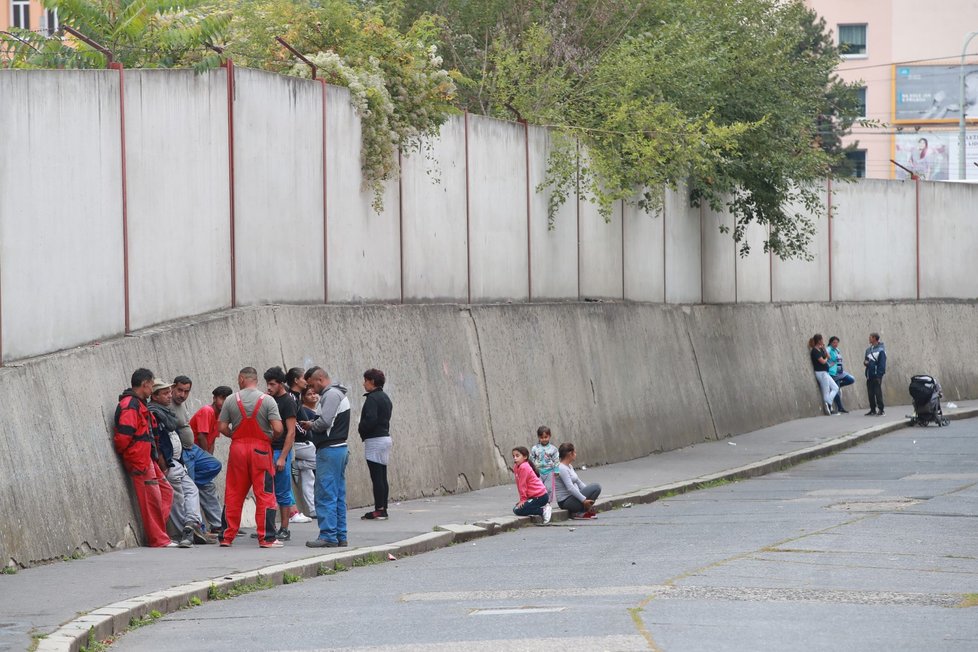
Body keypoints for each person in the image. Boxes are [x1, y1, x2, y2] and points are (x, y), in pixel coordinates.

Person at [218, 367, 283, 548]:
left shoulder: (231, 400)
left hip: (238, 450)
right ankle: (267, 538)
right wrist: (269, 438)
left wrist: (235, 436)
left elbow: (222, 426)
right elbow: (278, 428)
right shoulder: (267, 400)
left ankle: (226, 537)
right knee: (265, 494)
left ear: (241, 379)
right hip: (261, 450)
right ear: (256, 380)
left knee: (233, 492)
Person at [113, 368, 176, 548]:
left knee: (166, 491)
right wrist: (132, 455)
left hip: (146, 457)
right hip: (139, 458)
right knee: (152, 499)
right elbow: (124, 437)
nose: (152, 388)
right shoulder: (130, 405)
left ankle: (159, 532)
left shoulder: (137, 404)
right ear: (145, 384)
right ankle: (158, 539)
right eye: (151, 385)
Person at [147, 380, 204, 548]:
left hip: (177, 463)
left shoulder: (166, 411)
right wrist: (164, 465)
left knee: (191, 490)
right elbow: (156, 441)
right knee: (177, 498)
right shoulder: (154, 413)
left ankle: (191, 525)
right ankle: (184, 533)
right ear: (155, 396)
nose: (169, 396)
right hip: (168, 464)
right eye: (165, 393)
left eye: (169, 392)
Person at [300, 367, 351, 548]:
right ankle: (340, 535)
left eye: (312, 385)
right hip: (339, 449)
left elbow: (325, 422)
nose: (312, 390)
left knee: (325, 493)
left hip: (330, 450)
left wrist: (310, 424)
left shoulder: (331, 395)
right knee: (337, 494)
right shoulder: (339, 394)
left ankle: (328, 535)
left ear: (320, 379)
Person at [171, 375, 222, 537]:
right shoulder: (168, 404)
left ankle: (216, 525)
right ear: (172, 388)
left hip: (192, 449)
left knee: (214, 465)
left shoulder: (181, 405)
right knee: (192, 489)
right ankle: (199, 528)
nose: (182, 395)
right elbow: (202, 435)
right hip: (184, 452)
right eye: (180, 390)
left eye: (186, 392)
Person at [263, 366, 298, 542]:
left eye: (272, 384)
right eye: (267, 384)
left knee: (283, 491)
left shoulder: (288, 402)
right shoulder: (268, 400)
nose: (268, 387)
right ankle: (269, 527)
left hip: (280, 451)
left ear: (280, 384)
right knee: (267, 490)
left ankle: (284, 528)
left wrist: (283, 457)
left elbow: (291, 432)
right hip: (266, 451)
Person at [357, 368, 393, 521]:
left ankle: (379, 509)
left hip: (375, 440)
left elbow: (370, 419)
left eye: (365, 380)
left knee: (376, 476)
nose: (364, 384)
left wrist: (361, 428)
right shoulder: (385, 397)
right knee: (382, 475)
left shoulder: (372, 398)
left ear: (371, 381)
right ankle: (383, 507)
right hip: (385, 437)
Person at [291, 384, 320, 520]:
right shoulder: (303, 410)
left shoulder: (317, 410)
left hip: (309, 445)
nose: (313, 396)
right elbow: (300, 428)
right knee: (322, 462)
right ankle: (298, 465)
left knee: (309, 478)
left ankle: (312, 509)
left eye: (315, 393)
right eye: (309, 394)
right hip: (303, 445)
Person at [555, 442, 601, 519]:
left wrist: (589, 494)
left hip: (572, 497)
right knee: (596, 487)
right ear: (570, 454)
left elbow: (578, 482)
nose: (576, 454)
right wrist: (584, 500)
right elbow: (570, 487)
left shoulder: (569, 466)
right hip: (565, 501)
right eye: (574, 452)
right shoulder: (561, 468)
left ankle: (581, 512)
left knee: (595, 488)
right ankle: (579, 512)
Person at [511, 446, 552, 524]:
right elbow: (519, 484)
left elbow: (523, 485)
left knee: (518, 510)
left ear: (525, 456)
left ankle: (543, 511)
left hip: (541, 496)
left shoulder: (524, 467)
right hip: (533, 497)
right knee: (516, 509)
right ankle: (541, 508)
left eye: (517, 456)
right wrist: (522, 500)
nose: (515, 458)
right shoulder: (516, 467)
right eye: (513, 456)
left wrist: (523, 499)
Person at [189, 386, 233, 455]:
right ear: (214, 399)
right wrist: (207, 457)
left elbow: (212, 441)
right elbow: (201, 437)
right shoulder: (207, 411)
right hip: (192, 451)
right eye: (222, 398)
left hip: (201, 452)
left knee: (214, 464)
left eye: (227, 400)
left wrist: (210, 457)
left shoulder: (219, 416)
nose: (224, 402)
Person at [808, 334, 839, 416]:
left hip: (825, 372)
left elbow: (828, 356)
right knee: (826, 391)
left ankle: (828, 402)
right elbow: (823, 361)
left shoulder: (821, 349)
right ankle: (828, 405)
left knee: (835, 388)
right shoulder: (814, 351)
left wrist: (824, 349)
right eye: (822, 340)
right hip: (820, 373)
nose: (823, 341)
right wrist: (826, 359)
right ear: (819, 341)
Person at [530, 426, 559, 503]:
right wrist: (532, 469)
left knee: (549, 488)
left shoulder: (553, 449)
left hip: (549, 471)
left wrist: (556, 470)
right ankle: (539, 502)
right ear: (538, 437)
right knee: (539, 488)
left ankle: (548, 502)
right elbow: (531, 459)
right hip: (538, 471)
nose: (544, 439)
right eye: (542, 437)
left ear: (549, 436)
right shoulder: (534, 448)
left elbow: (556, 460)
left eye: (546, 437)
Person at [826, 337, 856, 414]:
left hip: (840, 372)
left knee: (851, 379)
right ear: (830, 343)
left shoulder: (837, 350)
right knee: (836, 391)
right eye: (834, 342)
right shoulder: (829, 349)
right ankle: (840, 408)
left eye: (837, 342)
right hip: (833, 372)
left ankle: (837, 386)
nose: (836, 344)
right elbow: (826, 354)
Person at [864, 332, 887, 416]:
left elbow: (882, 363)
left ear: (874, 338)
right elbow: (866, 361)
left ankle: (881, 409)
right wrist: (866, 363)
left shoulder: (881, 350)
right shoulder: (868, 350)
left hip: (877, 374)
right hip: (869, 374)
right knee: (870, 393)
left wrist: (879, 375)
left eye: (870, 337)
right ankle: (872, 409)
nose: (869, 339)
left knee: (878, 392)